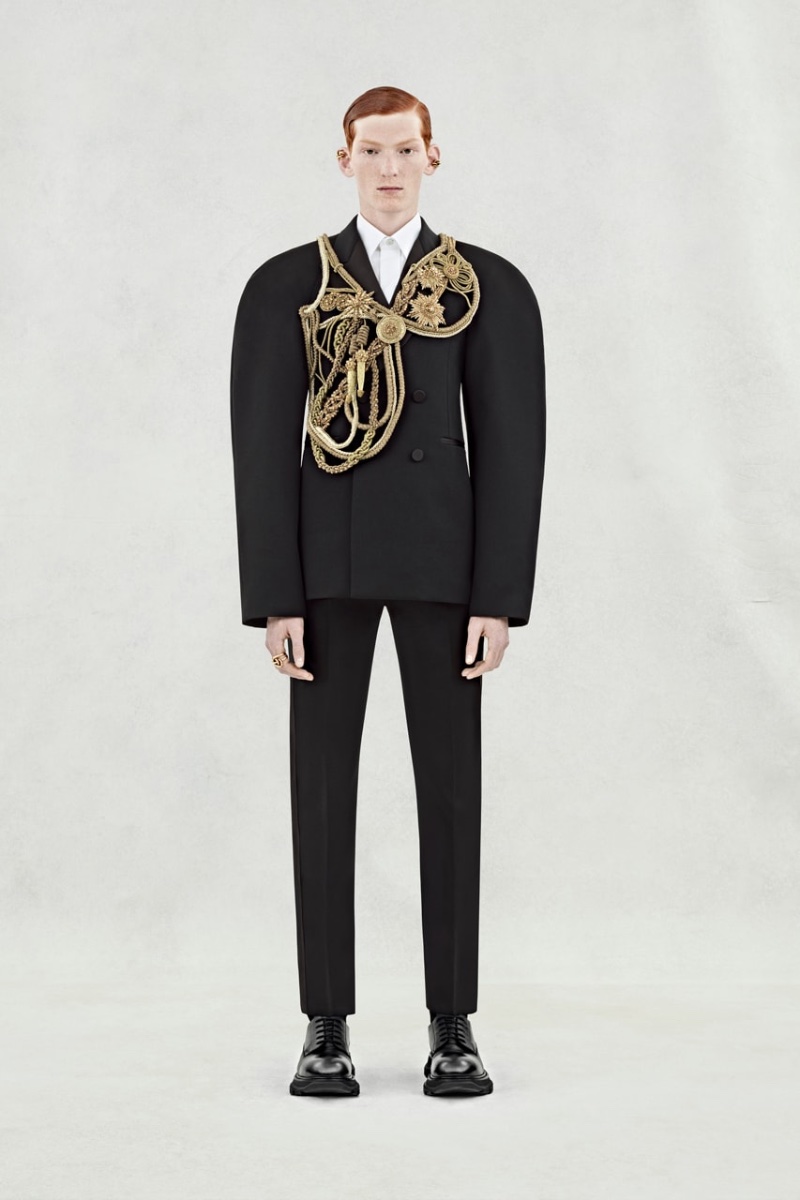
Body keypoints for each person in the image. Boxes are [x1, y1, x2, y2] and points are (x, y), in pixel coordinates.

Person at [229, 85, 546, 1098]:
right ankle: (324, 1025)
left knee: (450, 792)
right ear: (344, 161)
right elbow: (259, 453)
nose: (389, 168)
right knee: (321, 794)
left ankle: (452, 1023)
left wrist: (496, 595)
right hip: (323, 573)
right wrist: (276, 595)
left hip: (446, 572)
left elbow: (512, 453)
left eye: (405, 149)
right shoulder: (286, 286)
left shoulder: (485, 287)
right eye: (370, 151)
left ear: (432, 156)